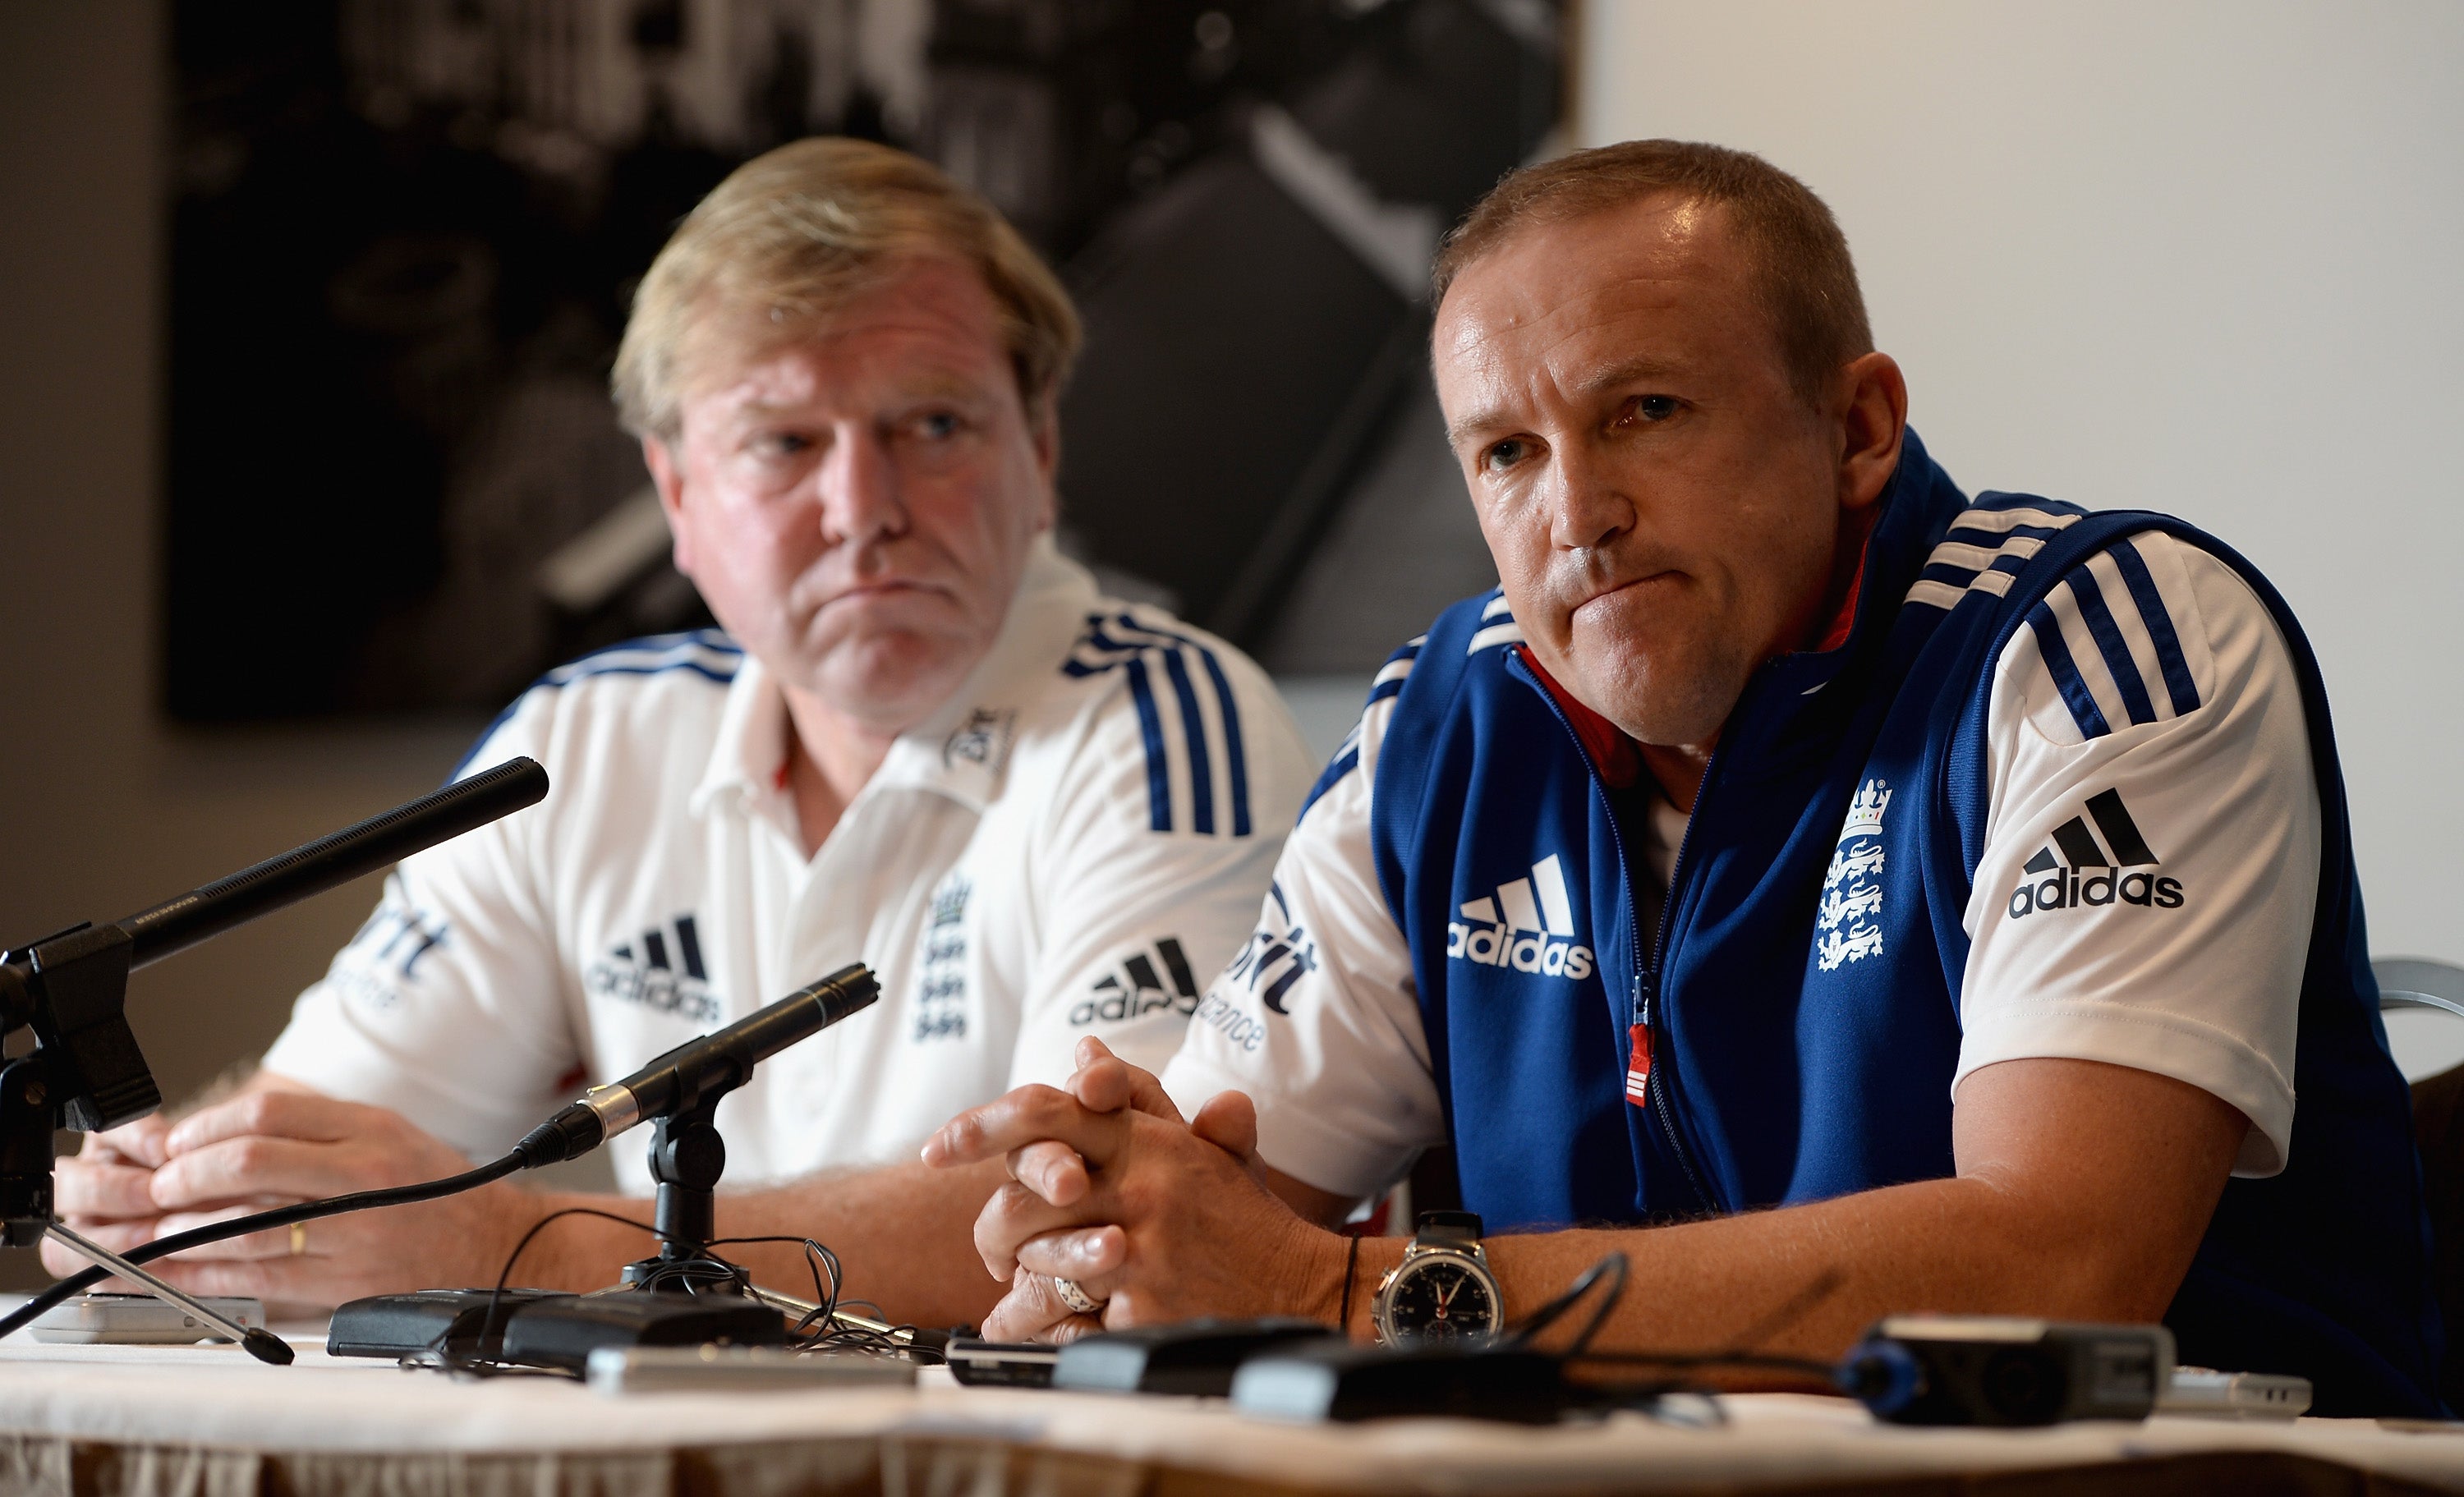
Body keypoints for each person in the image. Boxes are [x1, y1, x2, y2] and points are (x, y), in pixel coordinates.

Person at [925, 140, 2445, 1416]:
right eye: (1507, 454)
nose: (1577, 513)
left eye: (1643, 412)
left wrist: (1347, 1292)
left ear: (1858, 428)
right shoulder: (1447, 724)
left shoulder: (2094, 641)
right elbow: (1227, 1207)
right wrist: (1104, 1232)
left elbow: (2054, 1261)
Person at [48, 140, 1314, 1325]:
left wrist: (514, 1245)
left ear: (1038, 450)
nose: (862, 508)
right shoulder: (582, 741)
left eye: (933, 425)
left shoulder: (1168, 725)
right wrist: (170, 1200)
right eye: (784, 442)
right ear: (678, 495)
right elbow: (329, 1150)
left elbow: (1113, 1217)